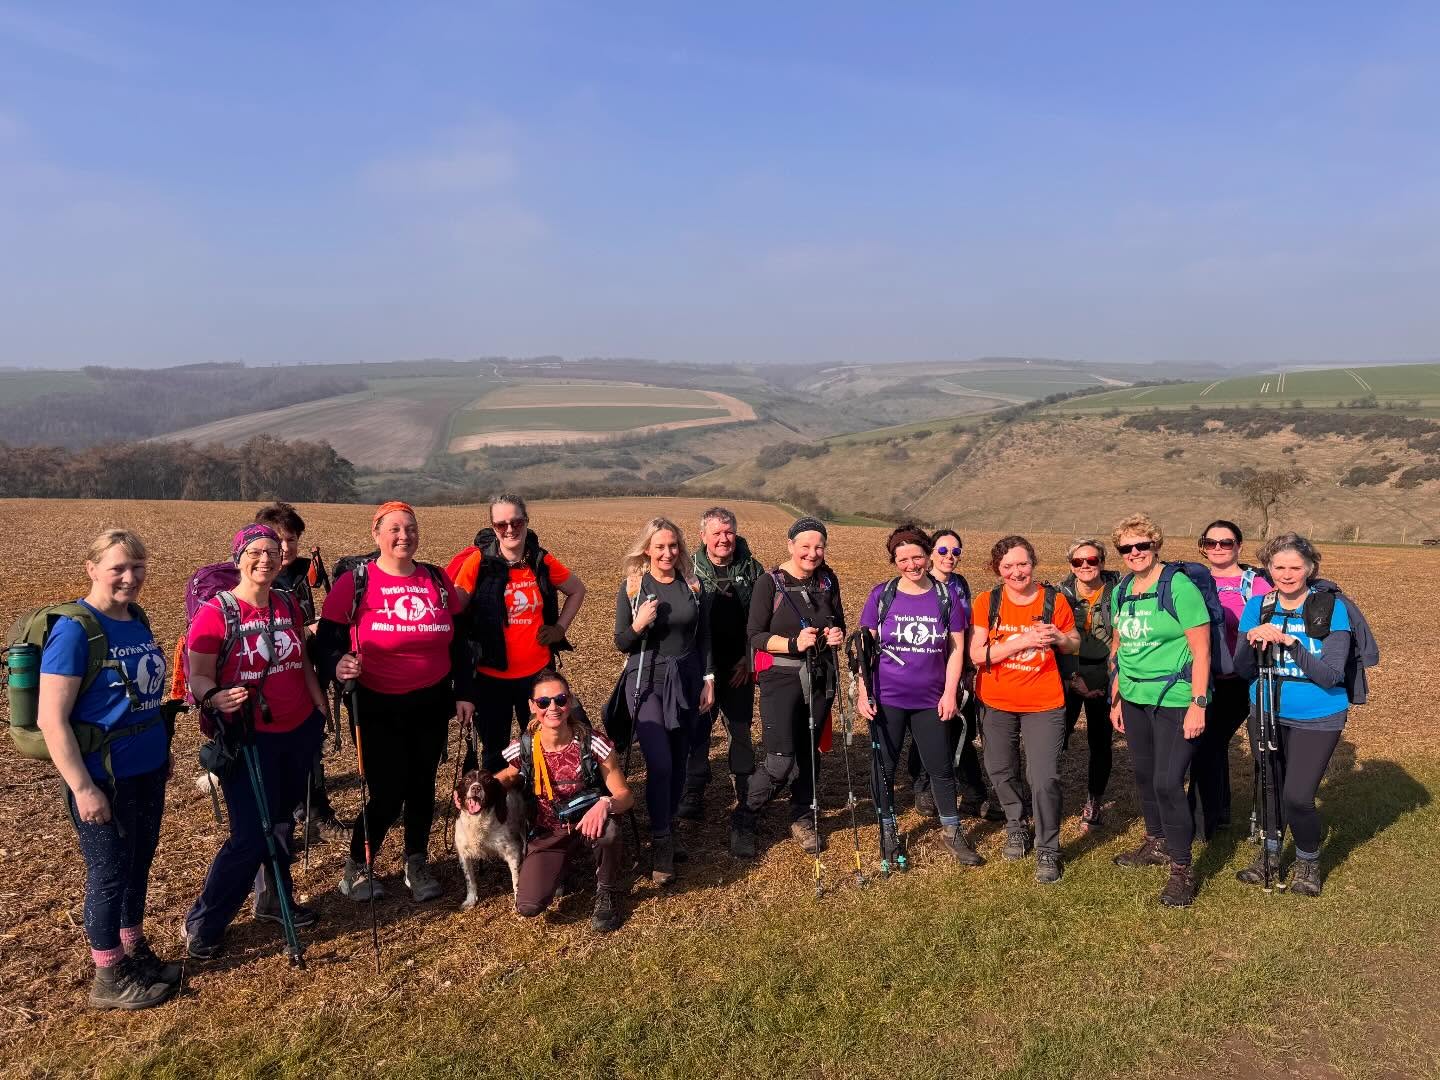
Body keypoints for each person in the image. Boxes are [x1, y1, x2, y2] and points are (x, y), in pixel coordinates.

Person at [36, 529, 178, 1009]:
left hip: (147, 768)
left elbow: (143, 698)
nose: (130, 577)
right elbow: (50, 719)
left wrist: (161, 753)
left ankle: (134, 949)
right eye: (118, 567)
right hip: (103, 778)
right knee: (108, 871)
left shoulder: (136, 620)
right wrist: (82, 787)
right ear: (92, 568)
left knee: (138, 861)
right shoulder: (76, 630)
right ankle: (108, 975)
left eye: (137, 567)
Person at [183, 524, 328, 959]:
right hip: (249, 736)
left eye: (274, 551)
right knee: (249, 834)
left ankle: (273, 901)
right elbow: (198, 675)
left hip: (298, 729)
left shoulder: (286, 604)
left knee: (281, 822)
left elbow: (299, 658)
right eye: (256, 551)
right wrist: (214, 696)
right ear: (238, 557)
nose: (266, 559)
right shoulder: (217, 612)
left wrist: (319, 704)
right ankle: (204, 923)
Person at [319, 501, 476, 902]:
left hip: (430, 700)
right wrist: (338, 664)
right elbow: (327, 643)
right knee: (388, 792)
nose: (404, 536)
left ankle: (416, 861)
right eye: (394, 529)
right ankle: (357, 867)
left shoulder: (437, 580)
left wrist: (463, 693)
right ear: (377, 534)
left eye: (410, 528)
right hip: (376, 703)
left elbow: (458, 643)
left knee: (423, 786)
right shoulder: (354, 584)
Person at [855, 524, 983, 867]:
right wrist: (863, 691)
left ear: (927, 557)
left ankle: (951, 831)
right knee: (884, 767)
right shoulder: (882, 595)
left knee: (941, 768)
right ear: (894, 560)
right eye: (903, 559)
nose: (911, 565)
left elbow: (956, 649)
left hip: (931, 699)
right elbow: (864, 650)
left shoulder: (946, 596)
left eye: (917, 557)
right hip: (887, 698)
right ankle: (887, 829)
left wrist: (950, 692)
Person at [1233, 534, 1351, 896]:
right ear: (1268, 568)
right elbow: (1241, 668)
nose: (1287, 574)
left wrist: (1292, 644)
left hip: (1319, 713)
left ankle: (1307, 861)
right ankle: (1269, 856)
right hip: (1266, 708)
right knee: (1269, 787)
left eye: (1295, 567)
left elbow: (1331, 675)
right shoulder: (1258, 605)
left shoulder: (1331, 607)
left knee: (1297, 796)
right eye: (1279, 566)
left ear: (1310, 568)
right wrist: (1252, 641)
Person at [1107, 514, 1211, 908]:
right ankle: (1156, 842)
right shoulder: (1123, 590)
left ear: (1155, 545)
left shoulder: (1178, 586)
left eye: (1141, 546)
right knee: (1145, 774)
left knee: (1169, 782)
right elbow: (1119, 647)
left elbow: (1202, 651)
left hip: (1175, 697)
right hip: (1134, 697)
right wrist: (1116, 697)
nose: (1134, 553)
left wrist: (1198, 705)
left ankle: (1182, 869)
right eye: (1126, 548)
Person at [970, 536, 1080, 884]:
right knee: (1000, 769)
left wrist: (1059, 639)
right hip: (996, 701)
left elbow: (1073, 641)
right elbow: (976, 654)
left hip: (1044, 702)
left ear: (1033, 563)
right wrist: (1021, 641)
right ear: (997, 569)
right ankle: (1016, 826)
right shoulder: (987, 602)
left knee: (1044, 776)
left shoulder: (1055, 600)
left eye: (1023, 564)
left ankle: (1048, 848)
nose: (1017, 572)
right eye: (1008, 566)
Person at [452, 493, 586, 773]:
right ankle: (498, 813)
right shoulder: (478, 562)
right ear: (493, 527)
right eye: (501, 525)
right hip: (491, 678)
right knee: (495, 750)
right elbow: (455, 607)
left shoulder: (541, 561)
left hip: (537, 676)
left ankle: (540, 808)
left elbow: (577, 589)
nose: (510, 529)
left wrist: (560, 628)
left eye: (516, 522)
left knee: (543, 743)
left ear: (526, 521)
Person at [612, 517, 713, 885]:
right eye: (660, 547)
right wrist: (639, 624)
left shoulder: (693, 585)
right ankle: (659, 841)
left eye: (673, 546)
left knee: (681, 761)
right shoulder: (634, 586)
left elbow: (704, 638)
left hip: (686, 680)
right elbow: (621, 641)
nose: (667, 552)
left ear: (680, 549)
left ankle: (667, 828)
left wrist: (708, 678)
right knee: (660, 763)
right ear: (647, 550)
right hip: (646, 681)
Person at [737, 517, 846, 857]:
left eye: (819, 547)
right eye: (805, 546)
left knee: (809, 753)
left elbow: (838, 622)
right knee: (780, 760)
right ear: (790, 546)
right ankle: (744, 818)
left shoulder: (828, 581)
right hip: (780, 680)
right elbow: (755, 635)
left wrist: (836, 636)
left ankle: (802, 817)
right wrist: (793, 643)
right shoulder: (769, 583)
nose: (812, 553)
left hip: (819, 677)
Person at [497, 670, 636, 931]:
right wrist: (475, 789)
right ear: (532, 706)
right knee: (528, 906)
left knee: (608, 831)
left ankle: (606, 892)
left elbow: (625, 796)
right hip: (548, 831)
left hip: (588, 824)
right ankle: (561, 868)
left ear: (570, 701)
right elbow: (506, 776)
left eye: (560, 700)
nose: (553, 707)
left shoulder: (593, 743)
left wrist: (605, 804)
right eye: (543, 702)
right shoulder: (524, 747)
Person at [254, 500, 350, 843]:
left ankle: (312, 812)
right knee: (290, 752)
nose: (285, 547)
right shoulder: (258, 584)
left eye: (291, 539)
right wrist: (311, 631)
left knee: (311, 745)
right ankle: (300, 816)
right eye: (277, 539)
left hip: (306, 674)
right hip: (274, 687)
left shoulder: (300, 576)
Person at [680, 507, 764, 854]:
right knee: (698, 731)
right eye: (716, 533)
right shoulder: (690, 570)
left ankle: (745, 795)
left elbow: (762, 618)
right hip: (701, 667)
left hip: (739, 666)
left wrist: (749, 656)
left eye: (728, 532)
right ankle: (693, 790)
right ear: (703, 537)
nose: (723, 539)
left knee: (741, 731)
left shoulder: (753, 568)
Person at [910, 528, 1002, 821]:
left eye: (956, 552)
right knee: (931, 731)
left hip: (959, 668)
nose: (950, 557)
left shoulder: (960, 584)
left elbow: (969, 627)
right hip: (929, 669)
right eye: (943, 551)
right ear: (930, 552)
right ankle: (925, 787)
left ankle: (972, 793)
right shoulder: (922, 584)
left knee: (960, 730)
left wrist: (971, 667)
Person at [1189, 519, 1270, 839]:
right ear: (1203, 547)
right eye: (1211, 543)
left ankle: (1203, 824)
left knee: (1209, 744)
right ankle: (1219, 811)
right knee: (1211, 745)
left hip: (1241, 680)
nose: (1218, 549)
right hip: (1201, 677)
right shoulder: (1192, 582)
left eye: (1226, 543)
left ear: (1239, 546)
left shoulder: (1256, 585)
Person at [1056, 538, 1120, 833]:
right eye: (1078, 562)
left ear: (1102, 562)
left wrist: (1114, 675)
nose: (1085, 566)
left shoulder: (1120, 591)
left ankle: (1094, 801)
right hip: (1066, 675)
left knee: (1100, 740)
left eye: (1091, 561)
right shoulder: (1058, 594)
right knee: (1057, 738)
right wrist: (1071, 677)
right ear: (1070, 565)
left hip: (1104, 674)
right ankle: (1049, 798)